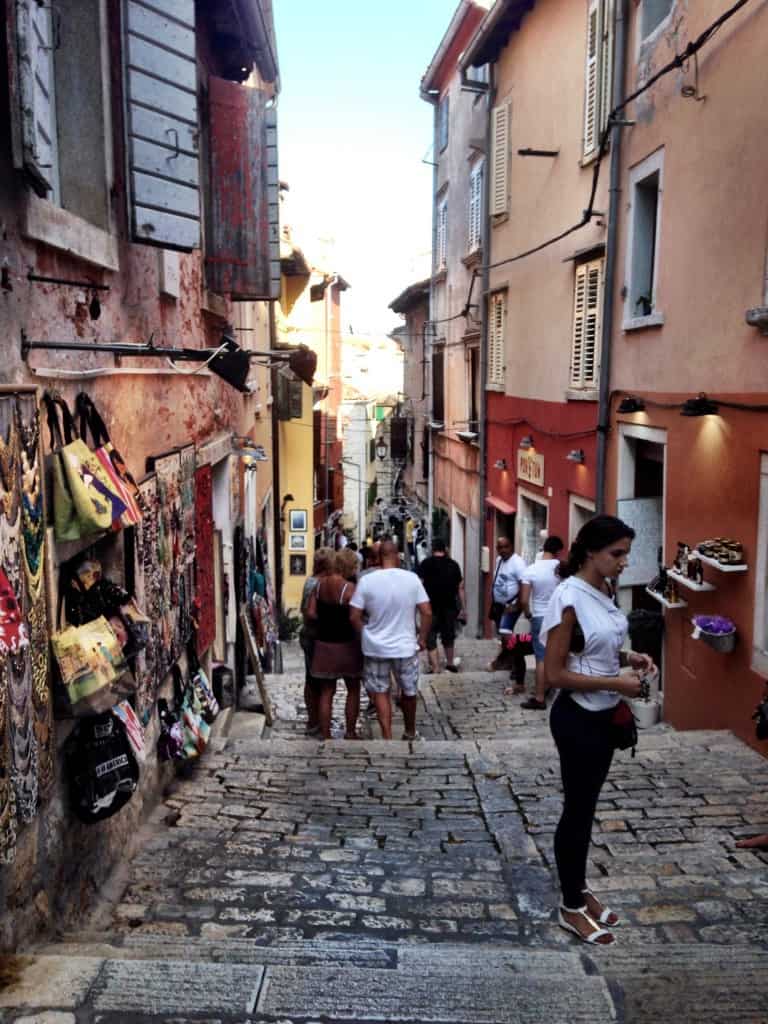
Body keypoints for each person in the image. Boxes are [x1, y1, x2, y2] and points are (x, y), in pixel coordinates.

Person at [541, 515, 654, 946]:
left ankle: (579, 888)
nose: (625, 562)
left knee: (586, 810)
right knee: (577, 810)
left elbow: (596, 648)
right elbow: (554, 674)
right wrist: (617, 684)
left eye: (626, 552)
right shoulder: (568, 598)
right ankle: (570, 908)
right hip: (578, 717)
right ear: (591, 551)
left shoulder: (603, 589)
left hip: (605, 715)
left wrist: (631, 659)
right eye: (617, 553)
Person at [349, 540, 431, 740]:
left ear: (378, 558)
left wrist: (366, 634)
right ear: (397, 555)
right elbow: (427, 612)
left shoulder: (367, 581)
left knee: (380, 692)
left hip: (376, 647)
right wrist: (422, 639)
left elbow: (353, 616)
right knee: (409, 691)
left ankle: (387, 736)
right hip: (405, 646)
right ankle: (410, 731)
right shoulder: (412, 579)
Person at [305, 549, 364, 740]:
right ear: (349, 566)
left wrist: (324, 618)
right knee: (353, 689)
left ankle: (326, 733)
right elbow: (357, 615)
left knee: (327, 691)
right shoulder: (350, 589)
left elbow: (311, 613)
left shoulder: (319, 585)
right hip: (346, 644)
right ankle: (350, 731)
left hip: (324, 644)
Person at [518, 535, 565, 709]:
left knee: (541, 658)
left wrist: (529, 614)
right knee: (559, 654)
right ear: (558, 551)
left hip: (539, 616)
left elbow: (524, 600)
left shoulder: (530, 570)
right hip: (558, 617)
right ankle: (555, 689)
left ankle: (539, 697)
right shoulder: (561, 568)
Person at [299, 548, 335, 736]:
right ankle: (319, 721)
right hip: (317, 636)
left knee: (311, 679)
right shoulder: (319, 584)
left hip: (308, 635)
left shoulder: (309, 581)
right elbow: (310, 612)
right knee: (322, 682)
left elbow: (303, 609)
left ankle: (313, 720)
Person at [417, 538, 464, 673]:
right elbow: (460, 588)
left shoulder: (425, 564)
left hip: (430, 607)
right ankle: (450, 663)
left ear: (433, 550)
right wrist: (463, 609)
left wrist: (417, 605)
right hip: (449, 607)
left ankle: (436, 667)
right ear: (445, 549)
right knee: (448, 635)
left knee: (430, 636)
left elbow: (419, 585)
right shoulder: (454, 565)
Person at [489, 536, 527, 692]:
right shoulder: (499, 560)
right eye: (500, 547)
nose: (503, 550)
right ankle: (509, 662)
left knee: (507, 635)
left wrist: (516, 605)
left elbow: (524, 584)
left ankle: (513, 666)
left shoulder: (518, 563)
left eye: (506, 547)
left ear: (511, 546)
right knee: (503, 635)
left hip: (511, 606)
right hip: (499, 605)